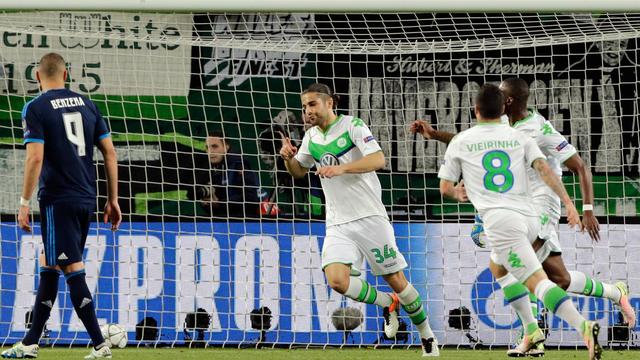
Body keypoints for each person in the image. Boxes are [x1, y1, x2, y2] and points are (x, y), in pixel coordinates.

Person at [411, 78, 635, 356]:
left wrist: (583, 208)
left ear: (508, 102)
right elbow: (473, 141)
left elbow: (579, 166)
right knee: (555, 278)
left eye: (502, 94)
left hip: (541, 203)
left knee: (524, 270)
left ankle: (536, 332)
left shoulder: (538, 129)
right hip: (520, 206)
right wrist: (434, 134)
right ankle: (614, 293)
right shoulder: (506, 127)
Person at [279, 83, 439, 356]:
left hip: (370, 217)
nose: (307, 111)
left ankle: (427, 336)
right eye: (304, 106)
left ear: (330, 103)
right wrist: (288, 158)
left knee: (396, 279)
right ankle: (388, 303)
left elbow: (377, 159)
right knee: (337, 280)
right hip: (338, 222)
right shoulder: (311, 138)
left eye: (313, 104)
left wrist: (341, 168)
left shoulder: (353, 125)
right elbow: (298, 173)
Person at [2, 53, 121, 359]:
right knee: (50, 261)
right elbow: (109, 152)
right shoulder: (87, 103)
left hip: (58, 199)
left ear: (38, 77)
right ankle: (29, 343)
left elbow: (35, 158)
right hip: (86, 198)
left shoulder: (36, 107)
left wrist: (24, 202)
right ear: (66, 74)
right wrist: (113, 199)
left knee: (69, 265)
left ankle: (99, 344)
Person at [192, 131, 261, 218]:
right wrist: (208, 204)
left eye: (214, 146)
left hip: (247, 223)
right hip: (224, 224)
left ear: (226, 147)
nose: (210, 151)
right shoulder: (210, 170)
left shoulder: (239, 164)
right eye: (207, 147)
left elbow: (250, 199)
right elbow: (216, 211)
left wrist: (220, 204)